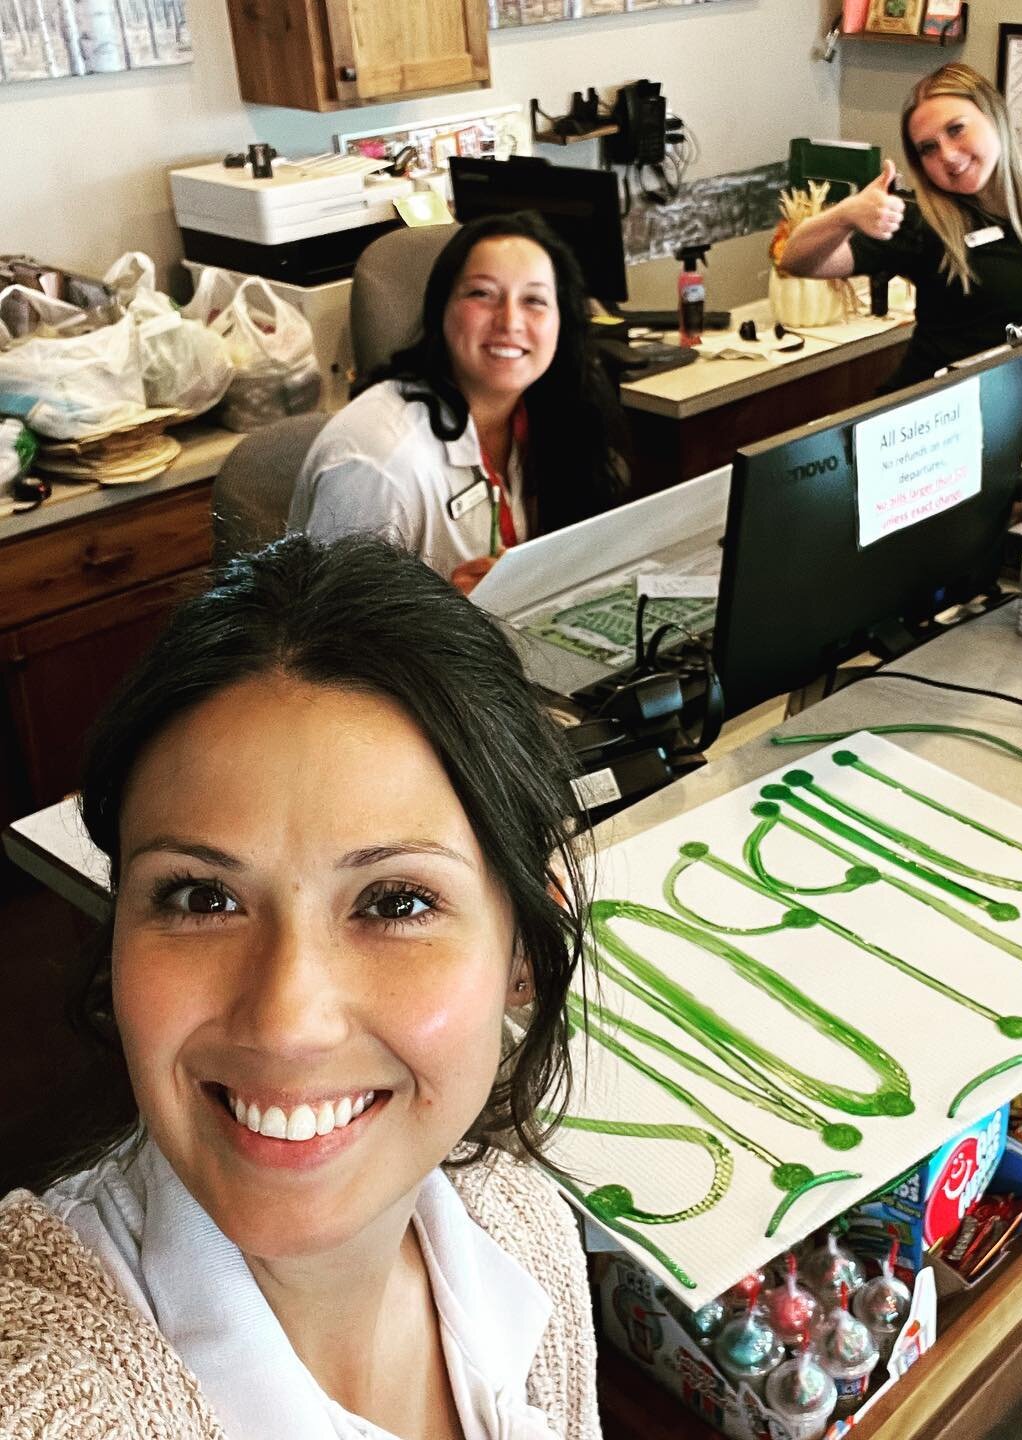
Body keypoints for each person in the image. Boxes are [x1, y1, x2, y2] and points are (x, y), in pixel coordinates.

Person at [0, 535, 599, 1440]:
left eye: (393, 901)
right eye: (204, 898)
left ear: (523, 948)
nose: (285, 1022)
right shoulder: (45, 1396)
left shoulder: (527, 1232)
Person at [289, 213, 627, 594]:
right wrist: (452, 618)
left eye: (534, 300)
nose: (510, 321)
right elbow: (331, 642)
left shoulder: (550, 412)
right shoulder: (380, 466)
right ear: (441, 310)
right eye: (482, 294)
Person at [780, 62, 1022, 392]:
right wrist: (844, 215)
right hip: (935, 409)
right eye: (928, 148)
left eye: (956, 129)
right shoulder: (919, 220)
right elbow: (796, 260)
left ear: (995, 116)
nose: (947, 155)